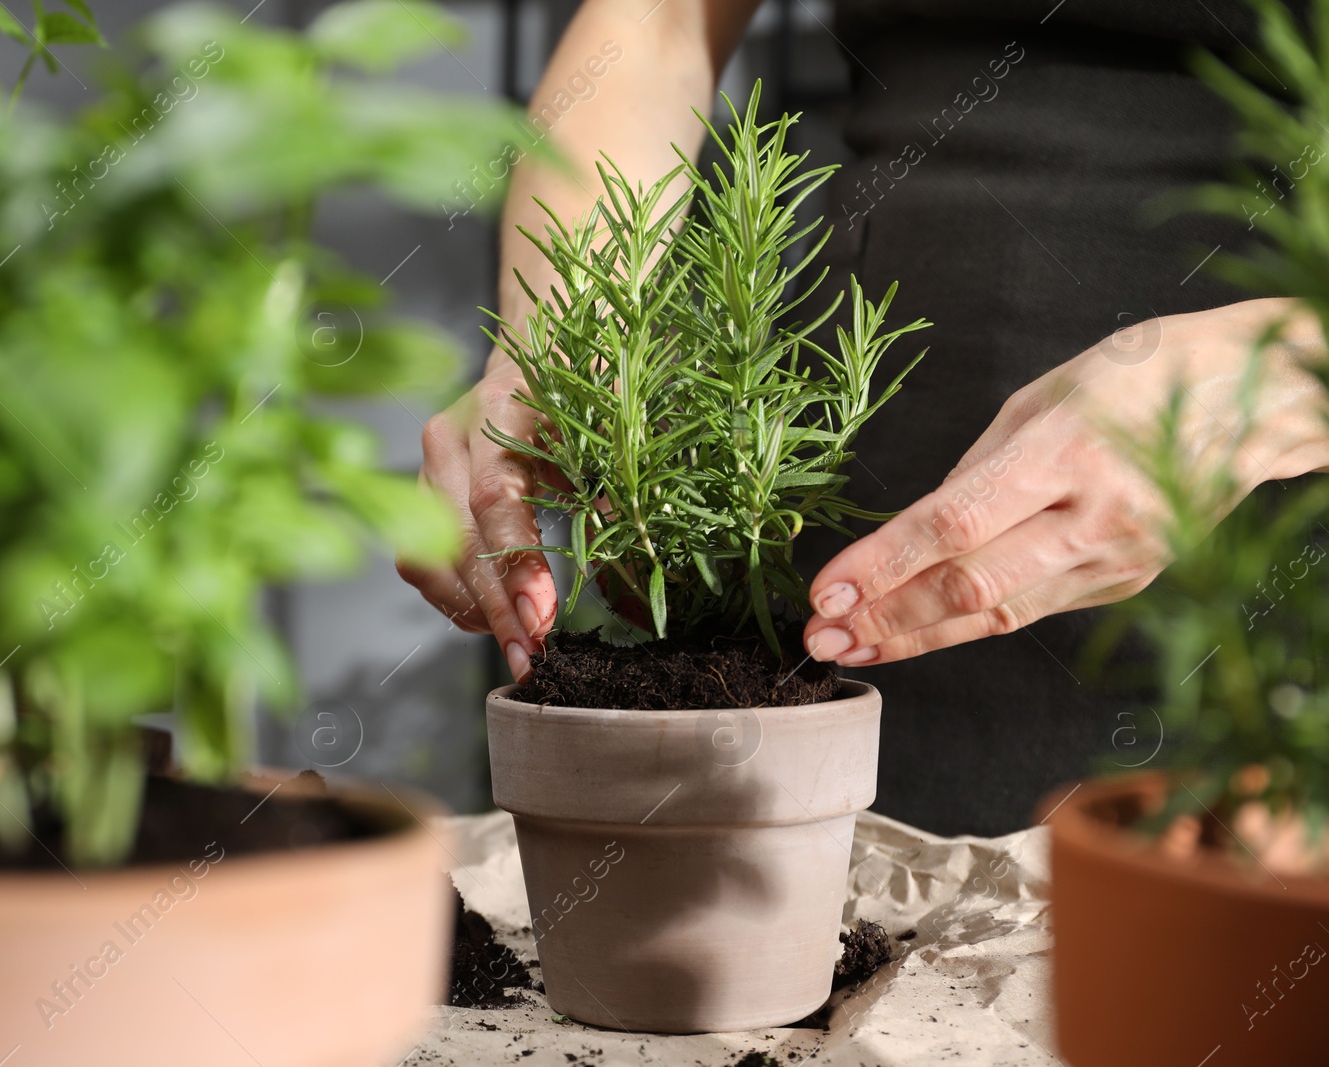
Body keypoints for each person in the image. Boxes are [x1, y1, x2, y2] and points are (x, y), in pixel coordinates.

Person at [397, 0, 1329, 834]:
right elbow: (661, 23)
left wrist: (1276, 374)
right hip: (856, 561)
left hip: (1258, 614)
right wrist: (560, 339)